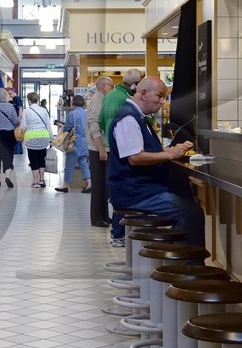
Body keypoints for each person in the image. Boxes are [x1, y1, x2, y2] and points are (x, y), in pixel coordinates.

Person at [107, 76, 203, 247]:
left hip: (140, 188)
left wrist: (172, 150)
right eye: (159, 96)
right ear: (143, 93)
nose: (162, 102)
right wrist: (169, 155)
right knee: (190, 212)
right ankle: (185, 266)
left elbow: (146, 150)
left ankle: (176, 258)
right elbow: (135, 157)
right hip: (134, 192)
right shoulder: (128, 119)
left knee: (189, 203)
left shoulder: (139, 117)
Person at [98, 68, 144, 241]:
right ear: (134, 85)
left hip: (110, 146)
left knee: (116, 188)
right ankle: (121, 234)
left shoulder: (109, 96)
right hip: (125, 148)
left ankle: (117, 232)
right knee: (126, 188)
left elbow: (101, 120)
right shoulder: (128, 99)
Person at [84, 76, 113, 226]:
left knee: (103, 184)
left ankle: (104, 215)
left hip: (100, 147)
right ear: (104, 86)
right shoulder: (97, 100)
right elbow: (94, 124)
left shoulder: (103, 99)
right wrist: (101, 148)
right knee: (98, 184)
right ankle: (96, 218)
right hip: (97, 149)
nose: (112, 88)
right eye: (111, 86)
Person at [56, 94, 90, 193]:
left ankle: (65, 185)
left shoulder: (72, 114)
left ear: (73, 103)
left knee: (69, 164)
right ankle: (89, 183)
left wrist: (61, 125)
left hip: (74, 143)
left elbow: (67, 128)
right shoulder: (86, 113)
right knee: (83, 163)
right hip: (84, 142)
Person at [20, 92, 52, 188]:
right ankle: (42, 180)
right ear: (37, 100)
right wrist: (51, 138)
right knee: (42, 158)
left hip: (31, 138)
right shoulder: (43, 110)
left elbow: (23, 126)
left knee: (33, 159)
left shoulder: (26, 111)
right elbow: (48, 125)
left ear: (29, 101)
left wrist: (21, 134)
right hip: (43, 137)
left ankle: (36, 182)